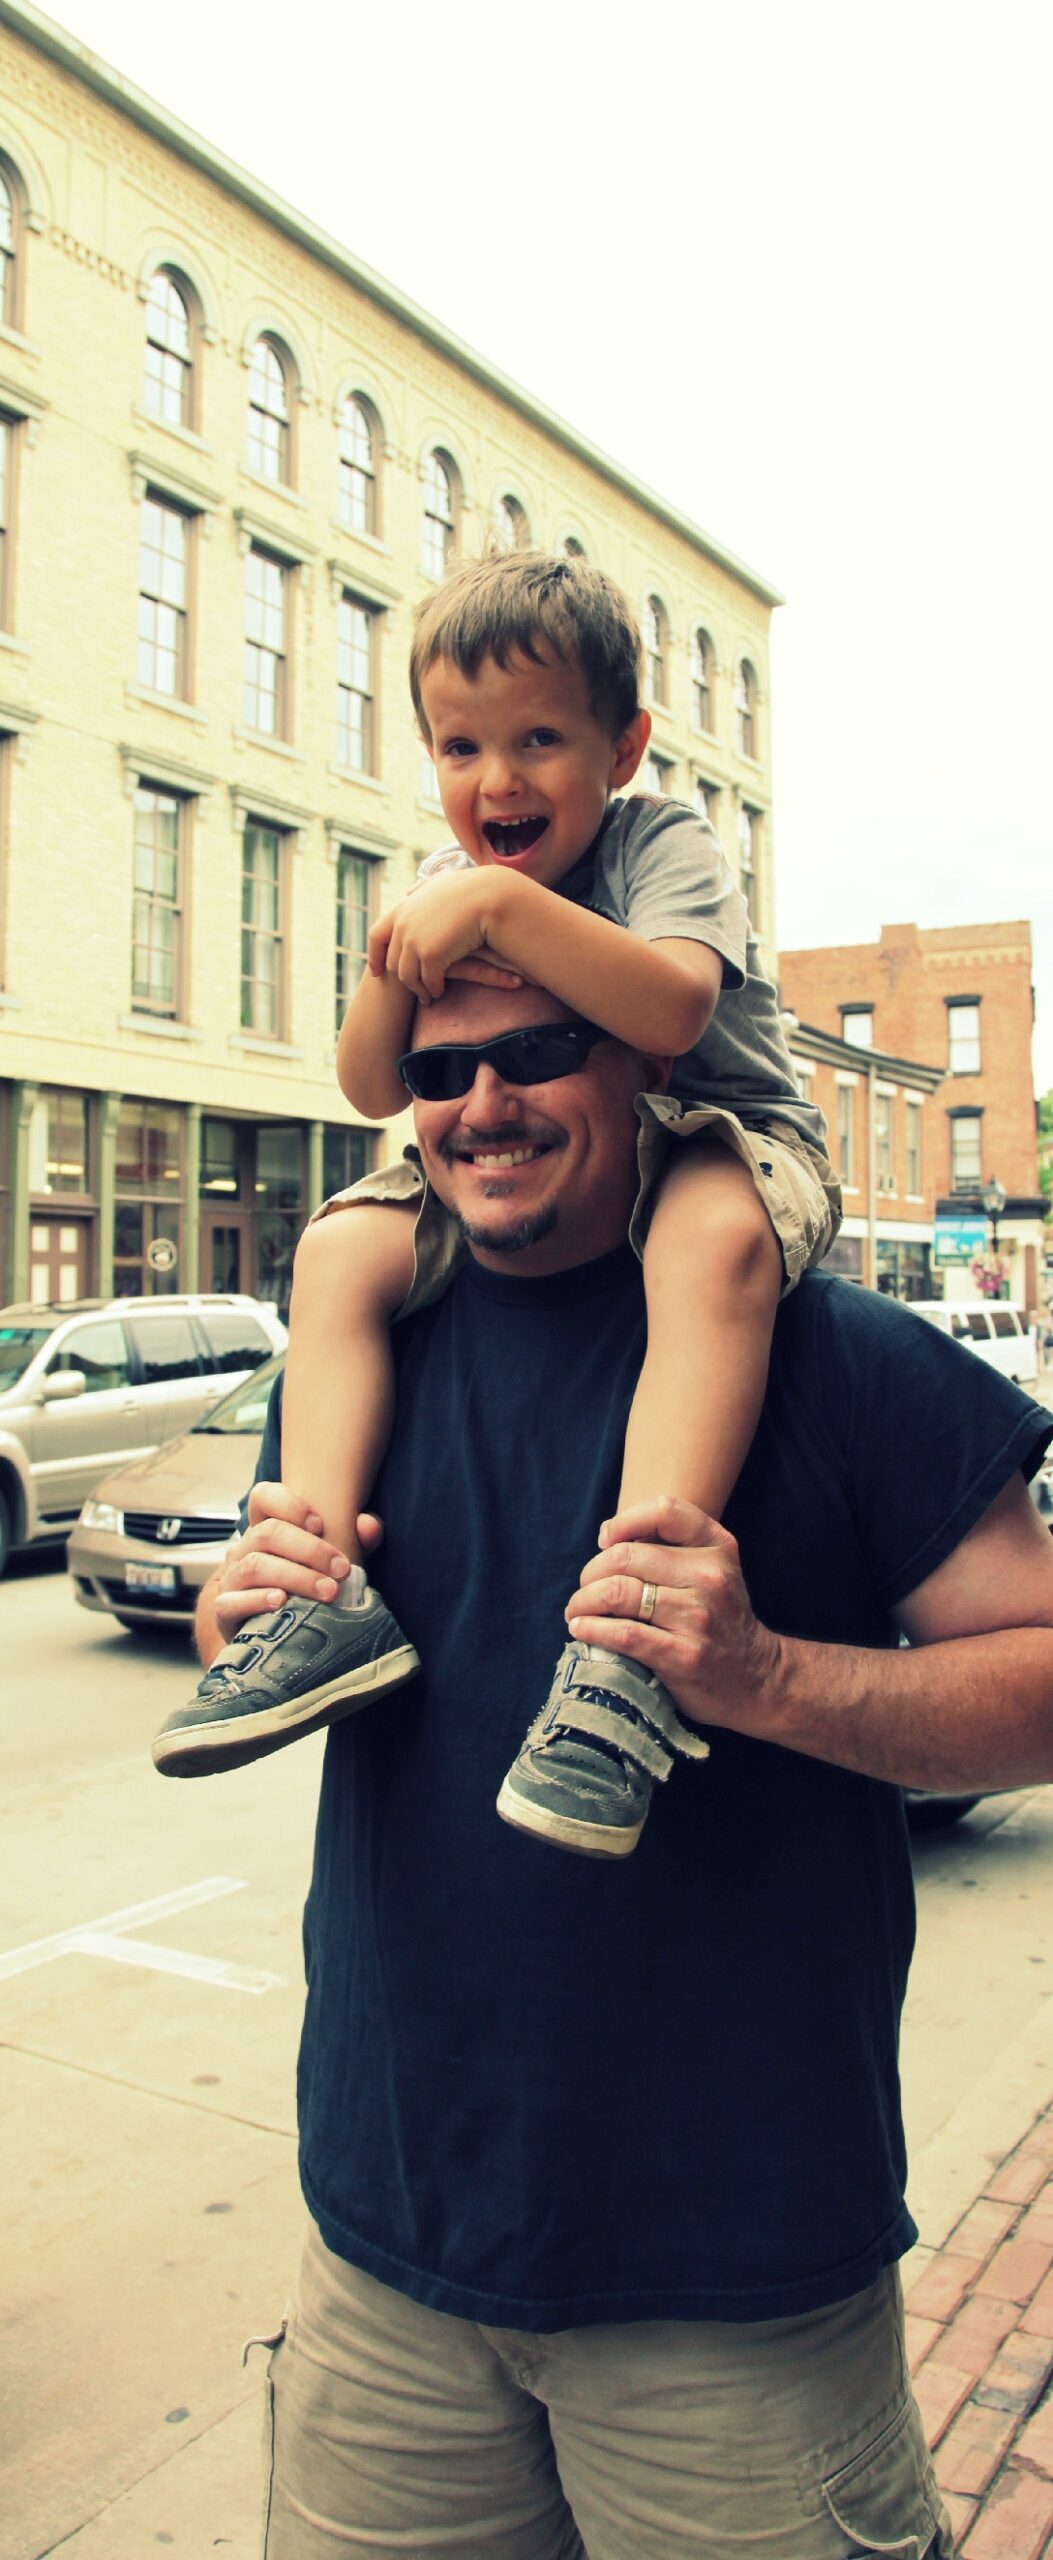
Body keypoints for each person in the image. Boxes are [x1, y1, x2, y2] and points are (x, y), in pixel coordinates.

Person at [194, 975, 1053, 2559]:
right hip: (386, 2258)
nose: (481, 1104)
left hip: (736, 2291)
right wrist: (237, 1605)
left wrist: (766, 1675)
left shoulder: (833, 1353)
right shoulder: (362, 1361)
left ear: (644, 1069)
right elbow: (249, 1620)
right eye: (439, 1070)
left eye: (533, 1053)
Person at [153, 553, 841, 1859]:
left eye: (538, 740)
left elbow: (671, 1011)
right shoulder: (445, 876)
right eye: (460, 748)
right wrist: (403, 945)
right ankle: (317, 1591)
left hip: (718, 1134)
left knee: (708, 1238)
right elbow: (371, 1086)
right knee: (338, 1247)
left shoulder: (663, 846)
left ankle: (630, 1640)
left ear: (622, 747)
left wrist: (498, 907)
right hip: (544, 1152)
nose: (498, 782)